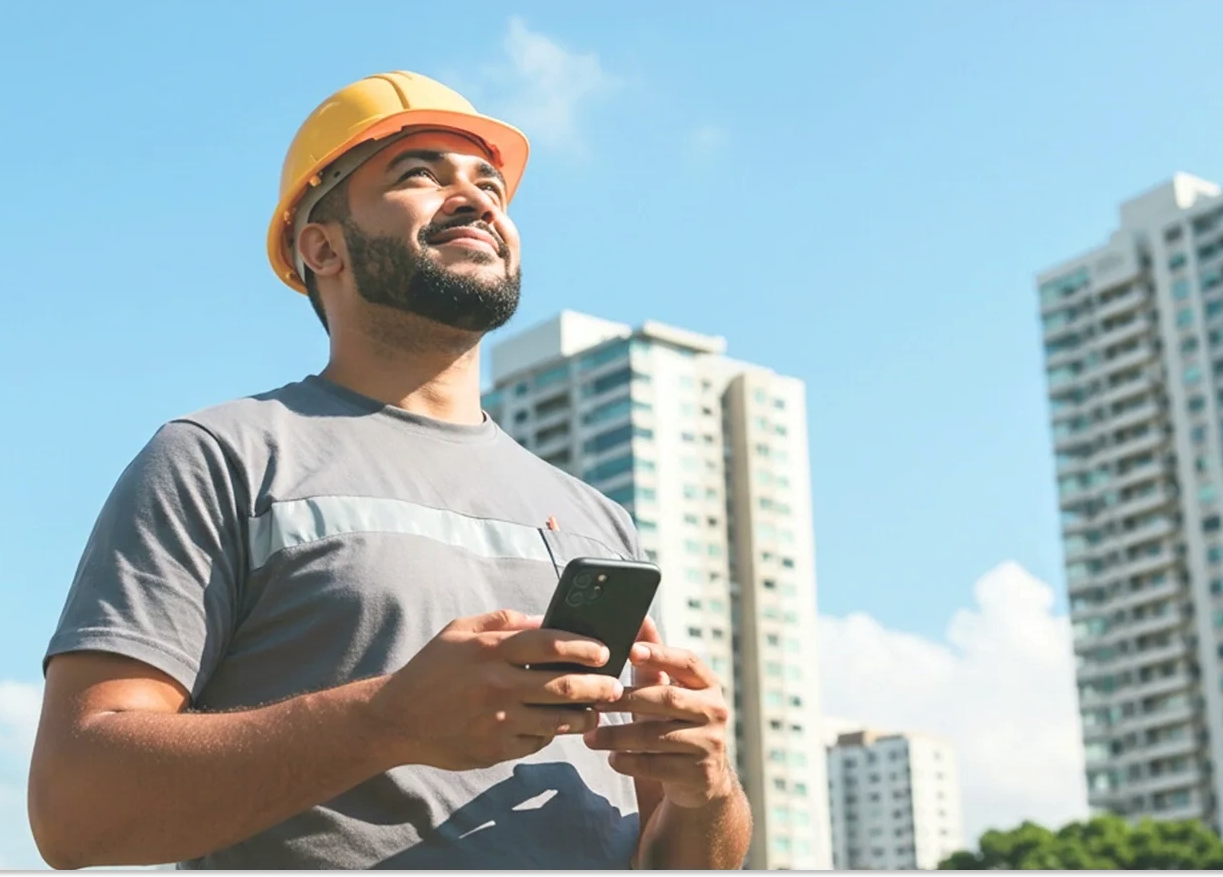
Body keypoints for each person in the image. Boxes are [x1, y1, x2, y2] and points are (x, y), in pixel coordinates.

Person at [28, 70, 752, 871]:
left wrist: (707, 792)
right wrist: (391, 719)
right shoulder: (222, 456)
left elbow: (676, 851)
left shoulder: (597, 518)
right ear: (321, 245)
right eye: (418, 175)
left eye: (490, 185)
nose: (476, 199)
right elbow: (74, 809)